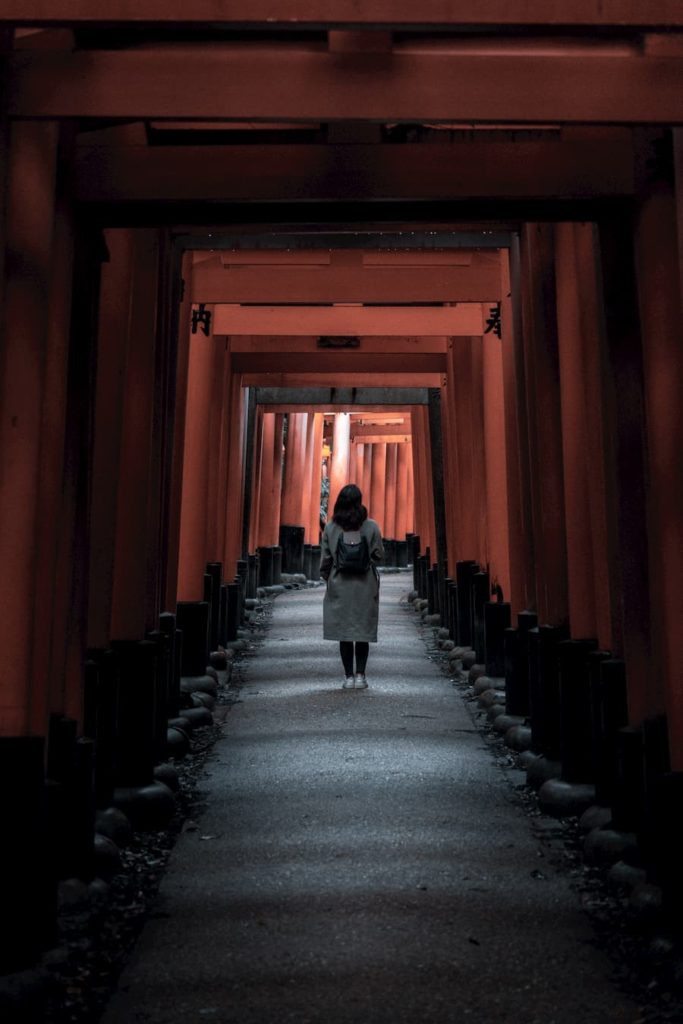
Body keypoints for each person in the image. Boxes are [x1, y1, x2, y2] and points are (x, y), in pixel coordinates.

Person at [319, 483, 384, 690]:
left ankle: (348, 677)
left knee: (344, 631)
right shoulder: (371, 526)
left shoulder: (330, 527)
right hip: (364, 584)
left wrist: (326, 576)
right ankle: (361, 676)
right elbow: (379, 554)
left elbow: (326, 559)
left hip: (340, 585)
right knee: (361, 630)